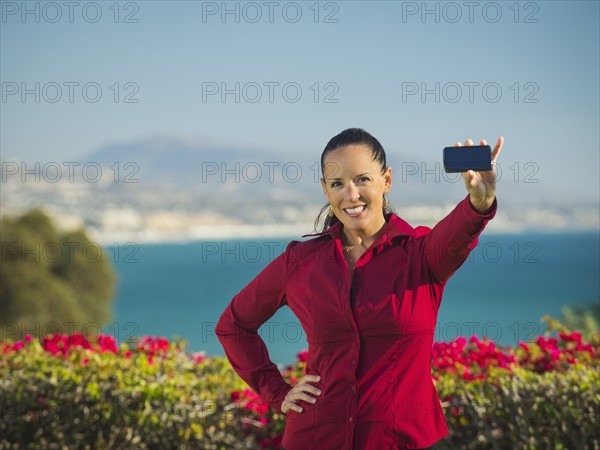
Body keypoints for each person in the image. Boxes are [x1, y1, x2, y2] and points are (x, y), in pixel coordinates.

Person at [216, 128, 503, 450]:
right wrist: (277, 393)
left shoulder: (422, 255)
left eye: (363, 179)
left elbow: (459, 233)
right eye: (337, 184)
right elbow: (234, 326)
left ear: (387, 180)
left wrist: (480, 202)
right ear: (325, 190)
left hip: (401, 441)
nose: (351, 194)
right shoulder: (299, 262)